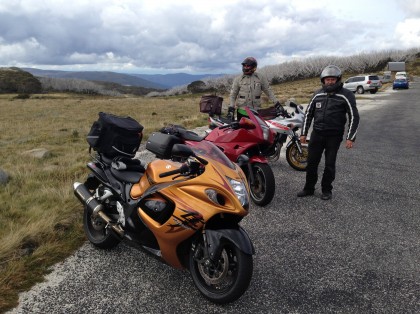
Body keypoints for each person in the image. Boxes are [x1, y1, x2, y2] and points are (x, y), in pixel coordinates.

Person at [297, 65, 360, 200]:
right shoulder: (317, 94)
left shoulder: (347, 95)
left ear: (338, 80)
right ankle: (309, 188)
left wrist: (350, 137)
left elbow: (354, 116)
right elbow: (308, 114)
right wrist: (303, 133)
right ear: (323, 80)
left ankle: (327, 190)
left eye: (332, 79)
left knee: (329, 164)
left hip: (334, 136)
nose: (330, 82)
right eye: (327, 79)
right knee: (312, 162)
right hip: (317, 134)